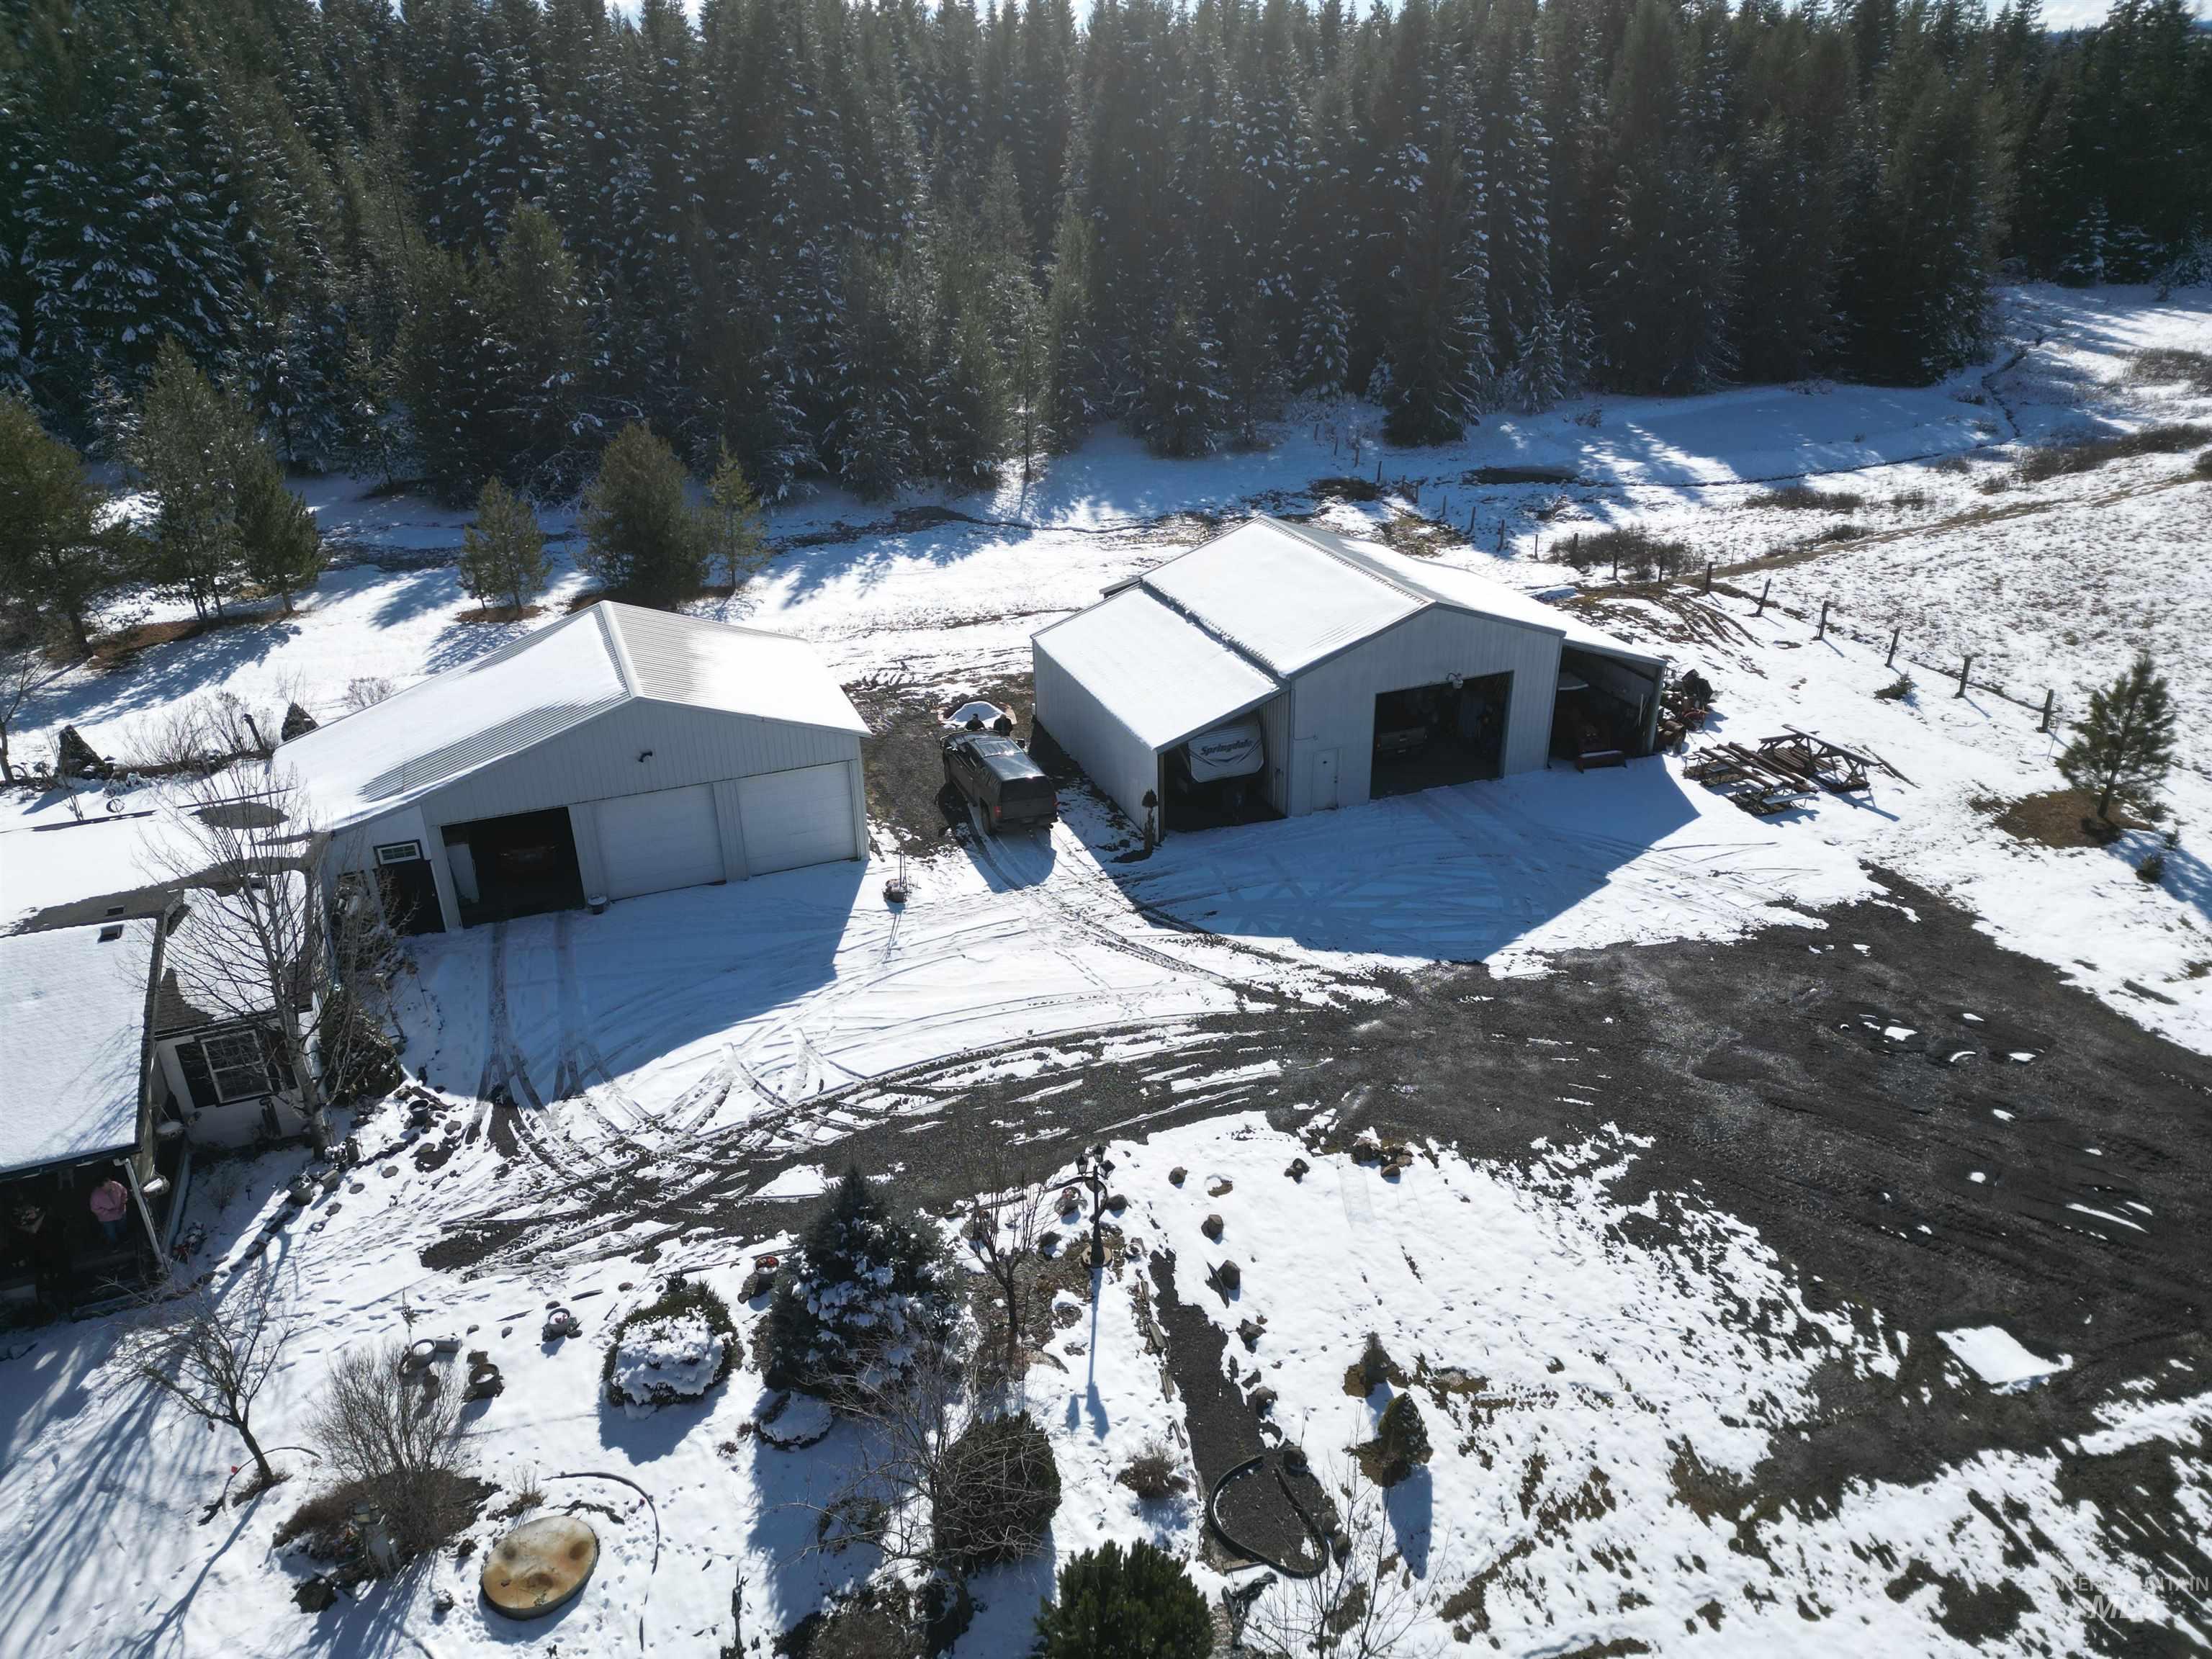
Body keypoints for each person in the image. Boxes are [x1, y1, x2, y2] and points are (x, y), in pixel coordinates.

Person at [89, 1177, 130, 1245]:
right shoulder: (95, 1196)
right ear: (102, 1187)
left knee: (123, 1227)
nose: (112, 1186)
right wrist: (109, 1212)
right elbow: (94, 1209)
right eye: (109, 1185)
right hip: (107, 1219)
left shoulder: (115, 1184)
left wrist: (123, 1202)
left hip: (121, 1213)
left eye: (110, 1183)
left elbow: (124, 1192)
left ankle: (124, 1239)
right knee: (111, 1233)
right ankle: (115, 1244)